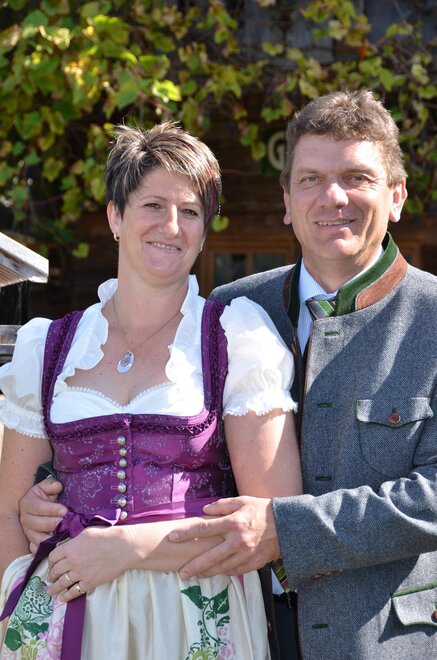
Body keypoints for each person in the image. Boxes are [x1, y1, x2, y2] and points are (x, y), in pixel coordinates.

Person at [0, 122, 302, 659]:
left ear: (204, 231)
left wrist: (126, 548)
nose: (172, 226)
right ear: (115, 217)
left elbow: (270, 523)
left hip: (192, 615)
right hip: (64, 613)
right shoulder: (49, 346)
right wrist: (20, 604)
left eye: (191, 212)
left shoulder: (235, 337)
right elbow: (6, 511)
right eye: (153, 206)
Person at [165, 90, 437, 658]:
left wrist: (288, 531)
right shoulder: (230, 309)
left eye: (356, 177)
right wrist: (56, 489)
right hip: (237, 631)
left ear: (396, 196)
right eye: (311, 179)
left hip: (383, 642)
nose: (332, 197)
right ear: (287, 200)